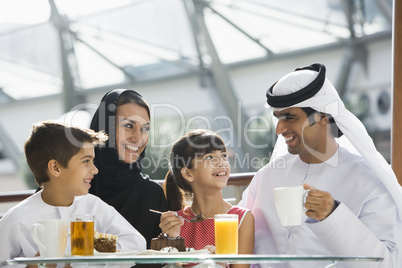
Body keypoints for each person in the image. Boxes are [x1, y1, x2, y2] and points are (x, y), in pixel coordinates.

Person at [238, 63, 402, 268]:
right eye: (277, 118)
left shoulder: (370, 182)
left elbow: (386, 264)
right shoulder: (266, 177)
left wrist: (333, 215)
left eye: (290, 117)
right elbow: (237, 234)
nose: (279, 129)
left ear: (323, 117)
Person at [0, 121, 146, 265]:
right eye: (86, 161)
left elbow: (136, 243)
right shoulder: (16, 221)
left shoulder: (94, 206)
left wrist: (89, 258)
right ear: (55, 168)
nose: (95, 170)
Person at [160, 129, 254, 265]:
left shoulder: (242, 218)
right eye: (209, 157)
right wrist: (173, 240)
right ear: (188, 173)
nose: (222, 163)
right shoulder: (174, 223)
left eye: (223, 156)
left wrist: (219, 265)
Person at [89, 89, 167, 248]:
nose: (138, 138)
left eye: (145, 128)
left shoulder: (151, 195)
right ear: (105, 129)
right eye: (129, 126)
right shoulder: (73, 188)